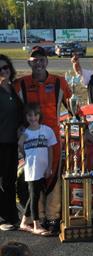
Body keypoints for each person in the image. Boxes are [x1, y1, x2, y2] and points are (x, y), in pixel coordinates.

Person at [14, 46, 72, 233]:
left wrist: (84, 130)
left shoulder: (59, 82)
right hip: (31, 138)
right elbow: (10, 107)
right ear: (29, 63)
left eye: (41, 60)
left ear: (46, 62)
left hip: (52, 138)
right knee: (34, 177)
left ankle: (53, 217)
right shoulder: (20, 84)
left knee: (53, 175)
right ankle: (37, 217)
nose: (38, 63)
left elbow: (74, 107)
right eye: (34, 60)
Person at [18, 103, 56, 236]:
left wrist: (49, 167)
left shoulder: (47, 130)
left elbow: (50, 149)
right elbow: (20, 147)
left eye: (35, 115)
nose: (33, 117)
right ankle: (36, 225)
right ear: (26, 117)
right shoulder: (25, 133)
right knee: (34, 197)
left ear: (39, 116)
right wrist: (26, 156)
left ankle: (23, 222)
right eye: (29, 115)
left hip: (43, 168)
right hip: (32, 169)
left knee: (34, 195)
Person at [0, 54, 23, 231]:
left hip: (12, 142)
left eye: (5, 67)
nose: (3, 71)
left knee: (10, 179)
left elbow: (20, 114)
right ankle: (4, 218)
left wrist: (22, 127)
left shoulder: (13, 89)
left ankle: (12, 215)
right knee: (2, 181)